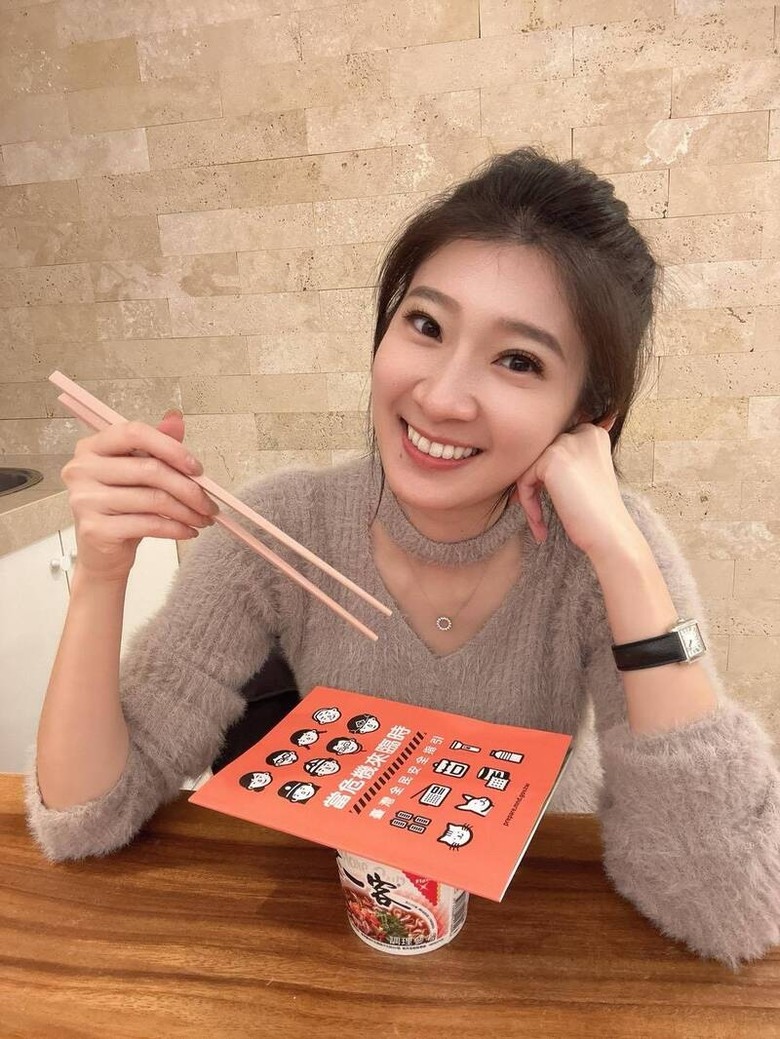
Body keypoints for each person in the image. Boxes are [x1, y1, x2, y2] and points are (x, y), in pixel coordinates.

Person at [27, 148, 779, 970]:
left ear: (587, 414)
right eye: (426, 325)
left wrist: (624, 562)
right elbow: (84, 818)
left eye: (519, 360)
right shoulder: (283, 526)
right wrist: (101, 571)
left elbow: (727, 907)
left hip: (533, 931)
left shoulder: (604, 552)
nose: (441, 396)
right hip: (331, 935)